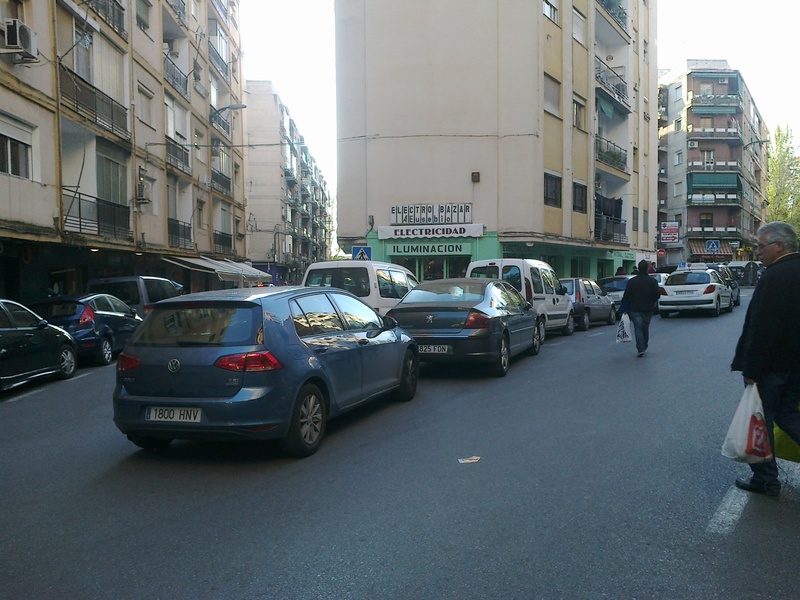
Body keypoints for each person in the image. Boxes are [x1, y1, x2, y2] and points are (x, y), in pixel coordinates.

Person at [731, 221, 800, 497]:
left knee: (762, 419)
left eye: (761, 246)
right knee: (787, 413)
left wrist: (752, 368)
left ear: (779, 246)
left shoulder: (774, 276)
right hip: (796, 364)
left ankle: (766, 480)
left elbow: (763, 329)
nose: (757, 252)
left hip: (772, 367)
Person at [621, 259, 661, 357]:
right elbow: (657, 295)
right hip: (648, 308)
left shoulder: (632, 281)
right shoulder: (653, 281)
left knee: (638, 328)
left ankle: (640, 348)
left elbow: (626, 295)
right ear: (647, 269)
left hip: (634, 308)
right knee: (645, 327)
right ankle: (644, 345)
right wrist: (652, 301)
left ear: (638, 268)